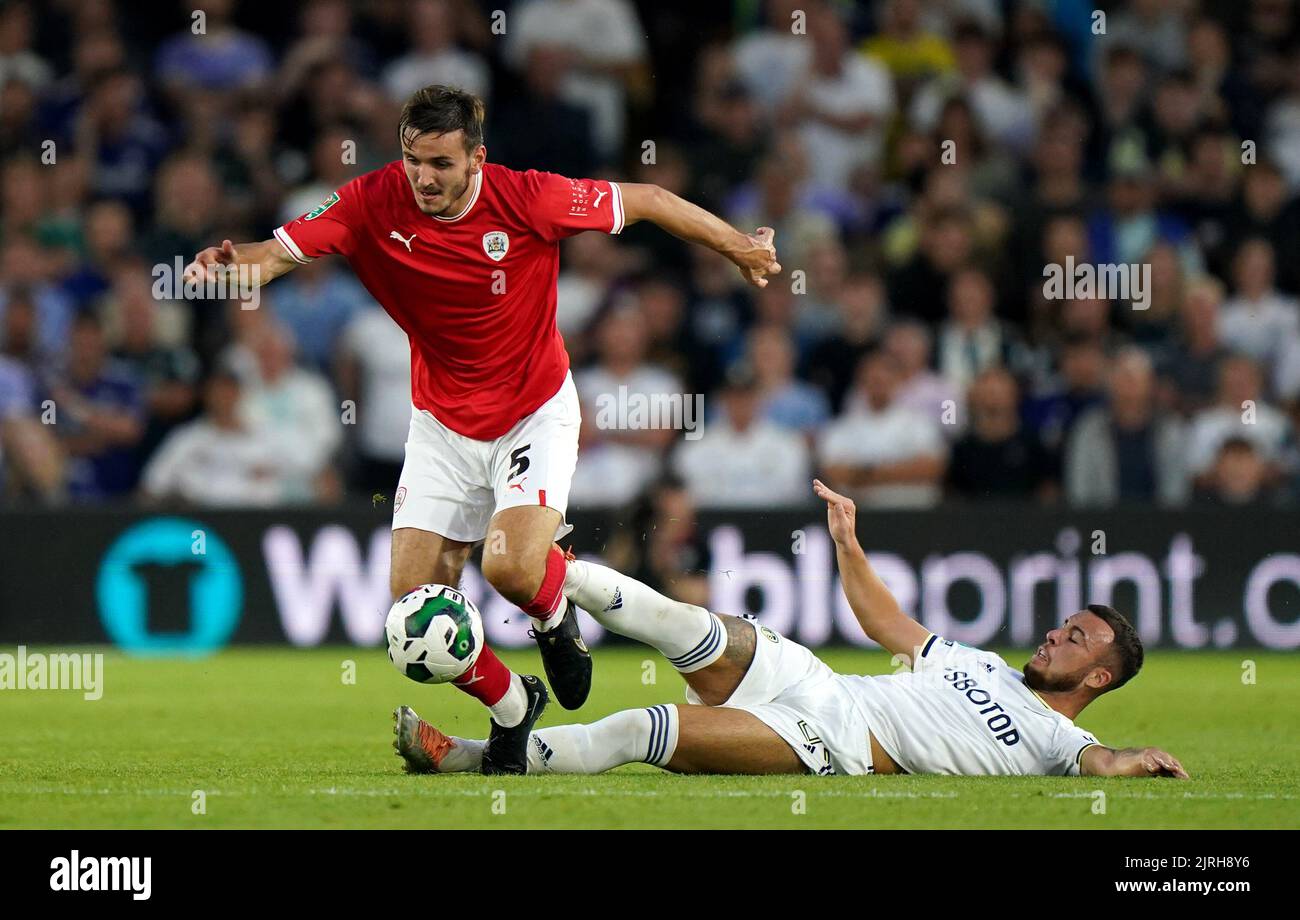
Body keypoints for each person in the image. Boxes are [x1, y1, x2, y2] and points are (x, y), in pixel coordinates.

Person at [184, 84, 781, 774]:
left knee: (508, 566)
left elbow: (646, 199)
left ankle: (553, 613)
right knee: (411, 610)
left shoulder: (528, 197)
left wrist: (737, 247)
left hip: (534, 410)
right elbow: (278, 254)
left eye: (441, 163)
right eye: (414, 160)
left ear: (476, 159)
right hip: (441, 424)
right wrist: (230, 269)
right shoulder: (368, 203)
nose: (424, 177)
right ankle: (511, 707)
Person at [395, 480, 1187, 780]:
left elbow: (1102, 764)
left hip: (830, 743)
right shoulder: (980, 665)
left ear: (1099, 680)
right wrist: (848, 546)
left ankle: (472, 757)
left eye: (1076, 641)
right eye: (1063, 626)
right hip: (817, 682)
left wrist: (1137, 759)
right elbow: (888, 622)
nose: (1054, 637)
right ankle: (551, 590)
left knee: (641, 728)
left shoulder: (1057, 744)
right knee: (683, 623)